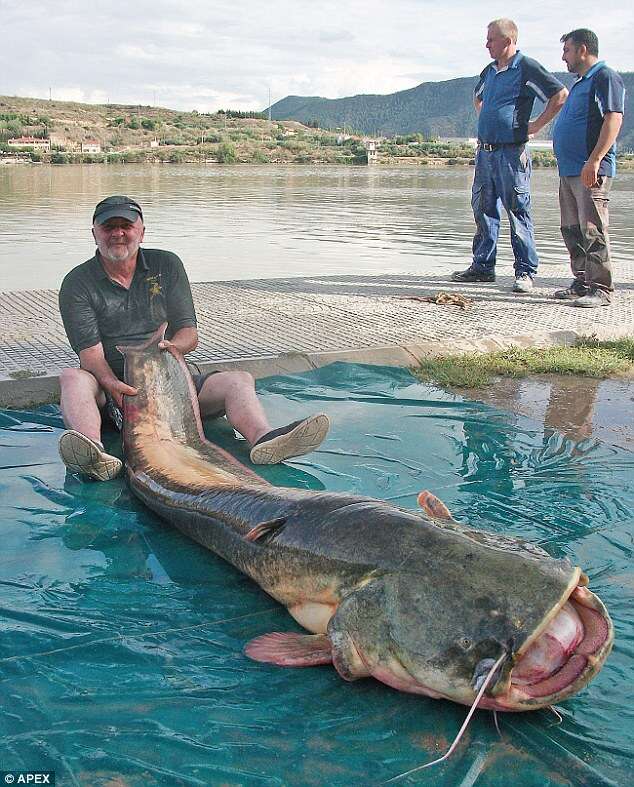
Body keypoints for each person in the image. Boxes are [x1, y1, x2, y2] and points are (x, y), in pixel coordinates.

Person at [57, 195, 330, 481]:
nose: (118, 233)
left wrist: (171, 347)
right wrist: (114, 386)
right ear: (94, 234)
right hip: (112, 389)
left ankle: (264, 438)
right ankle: (92, 451)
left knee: (238, 380)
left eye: (126, 225)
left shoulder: (167, 265)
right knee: (72, 378)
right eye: (108, 227)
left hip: (173, 386)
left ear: (142, 231)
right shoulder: (77, 283)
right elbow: (91, 357)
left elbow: (189, 333)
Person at [452, 18, 567, 293]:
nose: (487, 44)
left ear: (508, 40)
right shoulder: (489, 71)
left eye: (491, 39)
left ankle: (525, 272)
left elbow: (559, 94)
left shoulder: (526, 67)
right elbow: (477, 97)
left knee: (518, 210)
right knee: (483, 209)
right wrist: (486, 118)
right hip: (485, 153)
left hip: (511, 154)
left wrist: (537, 125)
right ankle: (482, 267)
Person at [551, 29, 625, 308]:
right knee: (571, 228)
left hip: (590, 168)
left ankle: (601, 289)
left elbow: (613, 119)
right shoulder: (581, 82)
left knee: (592, 228)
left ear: (582, 50)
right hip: (568, 169)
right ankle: (582, 280)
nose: (563, 57)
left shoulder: (604, 77)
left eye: (567, 50)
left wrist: (594, 160)